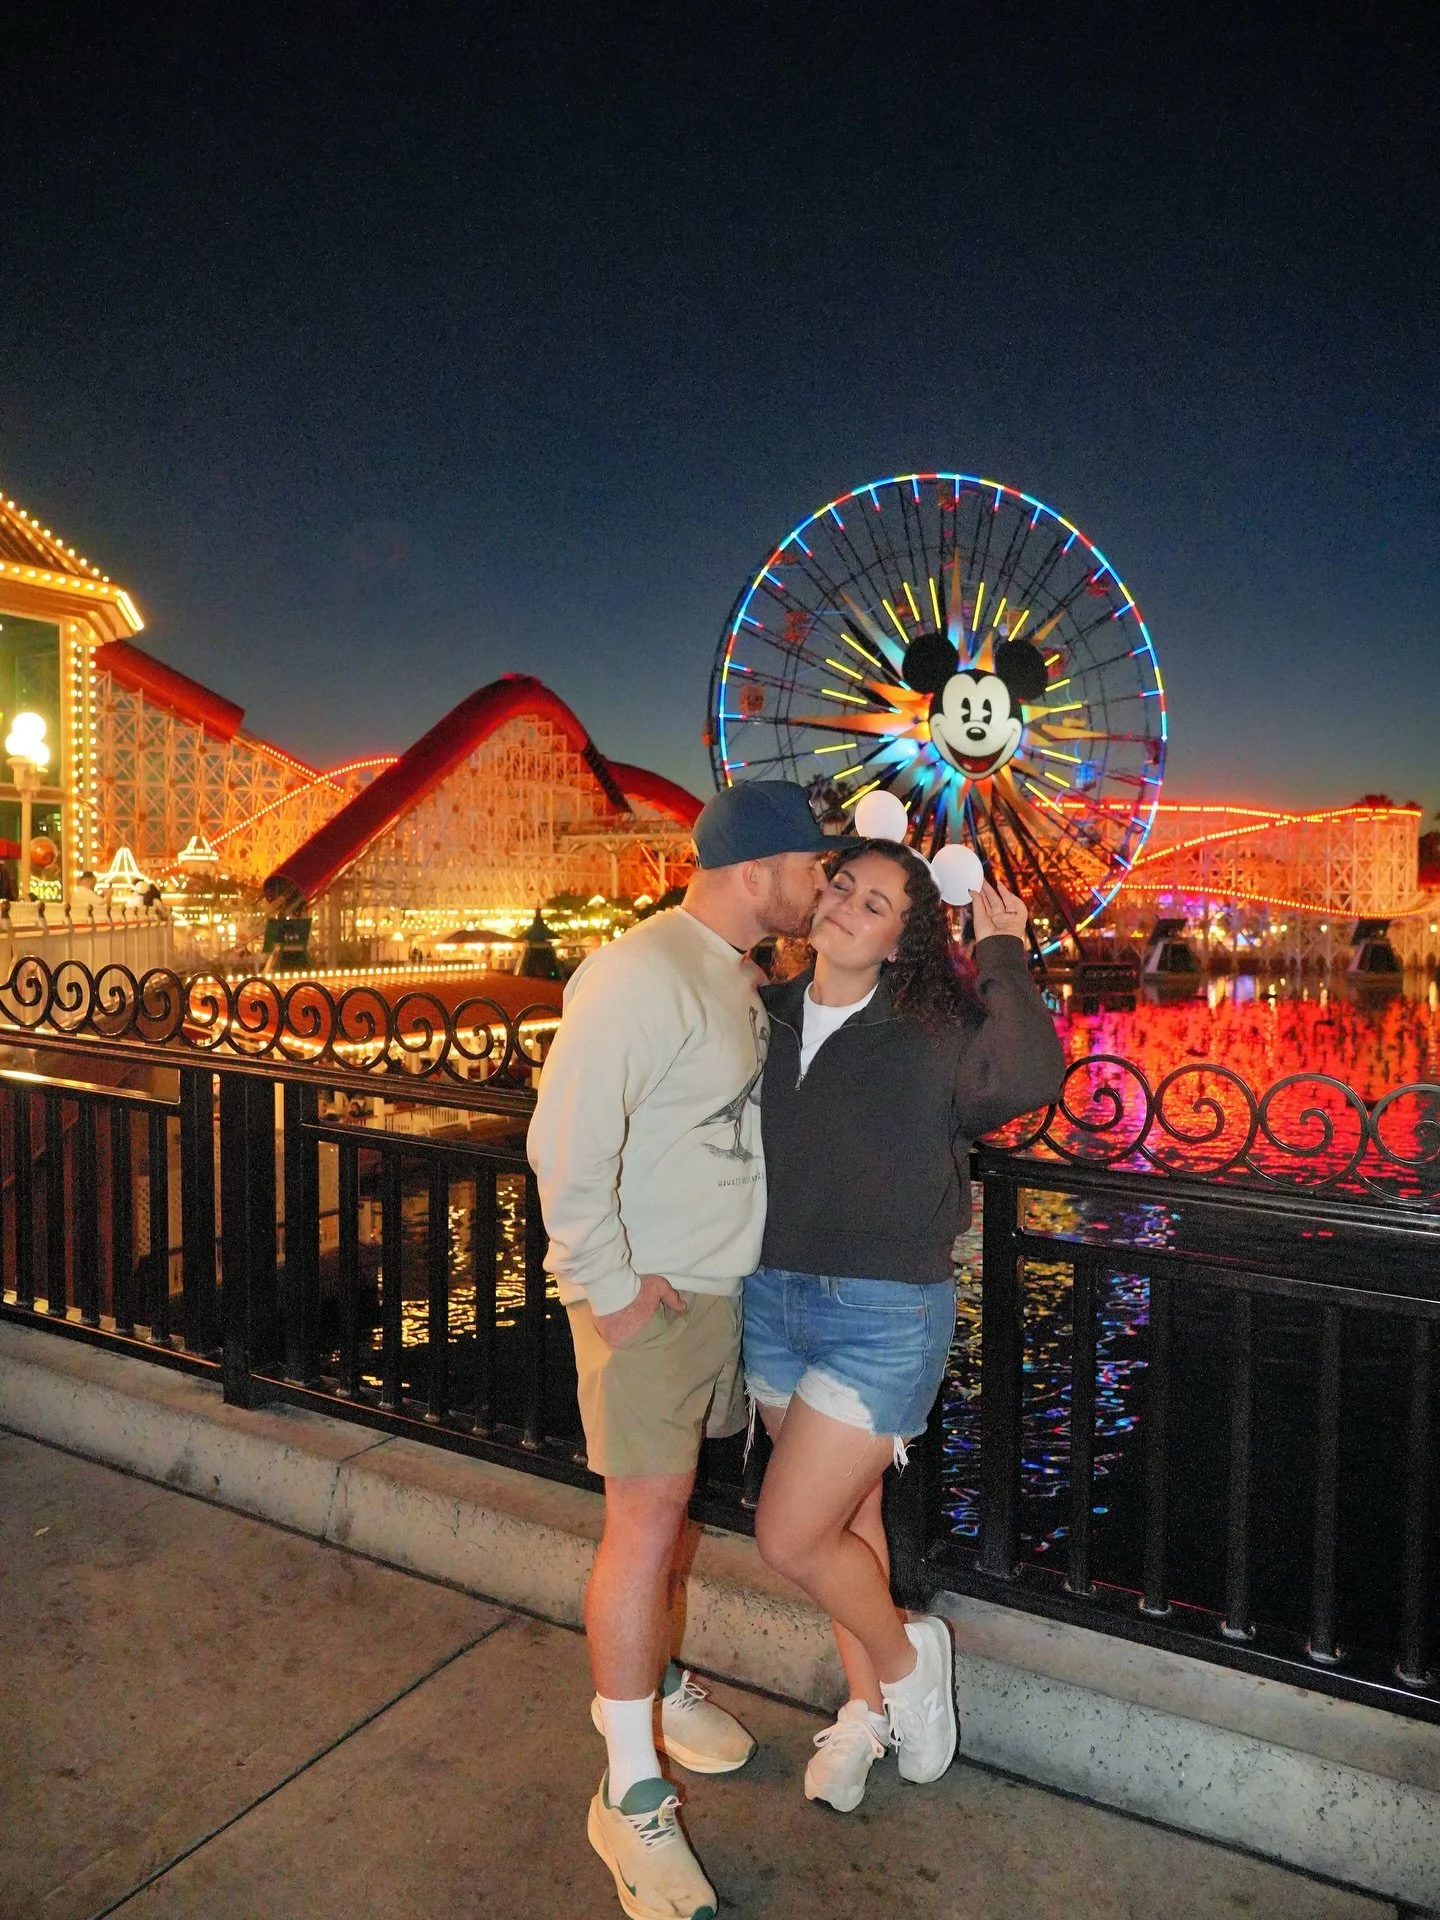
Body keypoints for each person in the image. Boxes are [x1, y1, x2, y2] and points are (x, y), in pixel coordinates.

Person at [528, 780, 853, 1920]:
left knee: (672, 1527)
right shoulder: (635, 973)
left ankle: (654, 1685)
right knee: (644, 1526)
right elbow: (563, 1148)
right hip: (653, 1305)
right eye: (814, 864)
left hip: (714, 1293)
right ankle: (628, 1793)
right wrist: (611, 1295)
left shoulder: (733, 974)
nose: (825, 882)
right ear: (757, 868)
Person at [744, 839, 1064, 1814]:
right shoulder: (763, 1015)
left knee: (788, 1538)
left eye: (877, 903)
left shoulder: (932, 1026)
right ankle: (869, 1711)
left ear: (901, 939)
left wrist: (1002, 953)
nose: (847, 905)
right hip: (770, 1302)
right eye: (842, 885)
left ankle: (909, 1656)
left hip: (883, 1312)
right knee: (849, 1523)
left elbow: (1027, 1075)